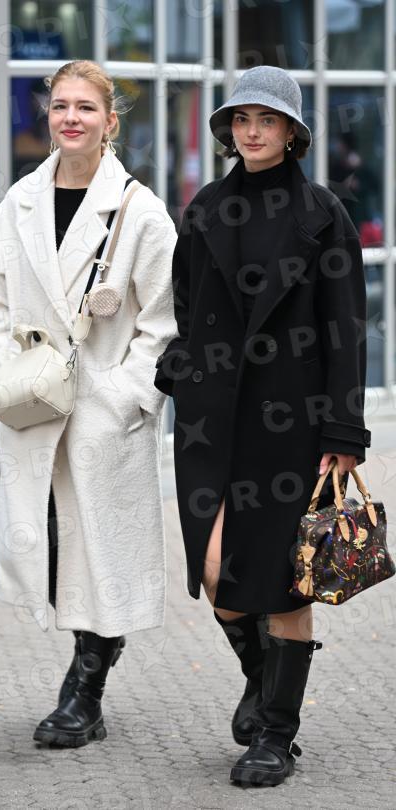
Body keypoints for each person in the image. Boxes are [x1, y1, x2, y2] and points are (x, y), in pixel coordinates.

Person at [154, 65, 371, 786]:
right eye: (242, 119)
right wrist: (180, 366)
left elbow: (346, 329)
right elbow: (186, 307)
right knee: (216, 571)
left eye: (267, 120)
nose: (252, 131)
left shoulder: (323, 214)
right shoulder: (205, 208)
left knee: (283, 583)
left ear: (291, 133)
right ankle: (264, 682)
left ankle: (276, 733)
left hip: (293, 425)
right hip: (212, 419)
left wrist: (344, 432)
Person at [0, 59, 177, 748]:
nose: (71, 118)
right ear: (48, 115)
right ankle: (86, 674)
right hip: (35, 404)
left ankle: (84, 692)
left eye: (86, 107)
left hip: (102, 410)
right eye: (61, 105)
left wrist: (125, 397)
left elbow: (163, 323)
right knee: (55, 542)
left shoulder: (140, 211)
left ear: (110, 121)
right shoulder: (20, 203)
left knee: (100, 552)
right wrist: (9, 375)